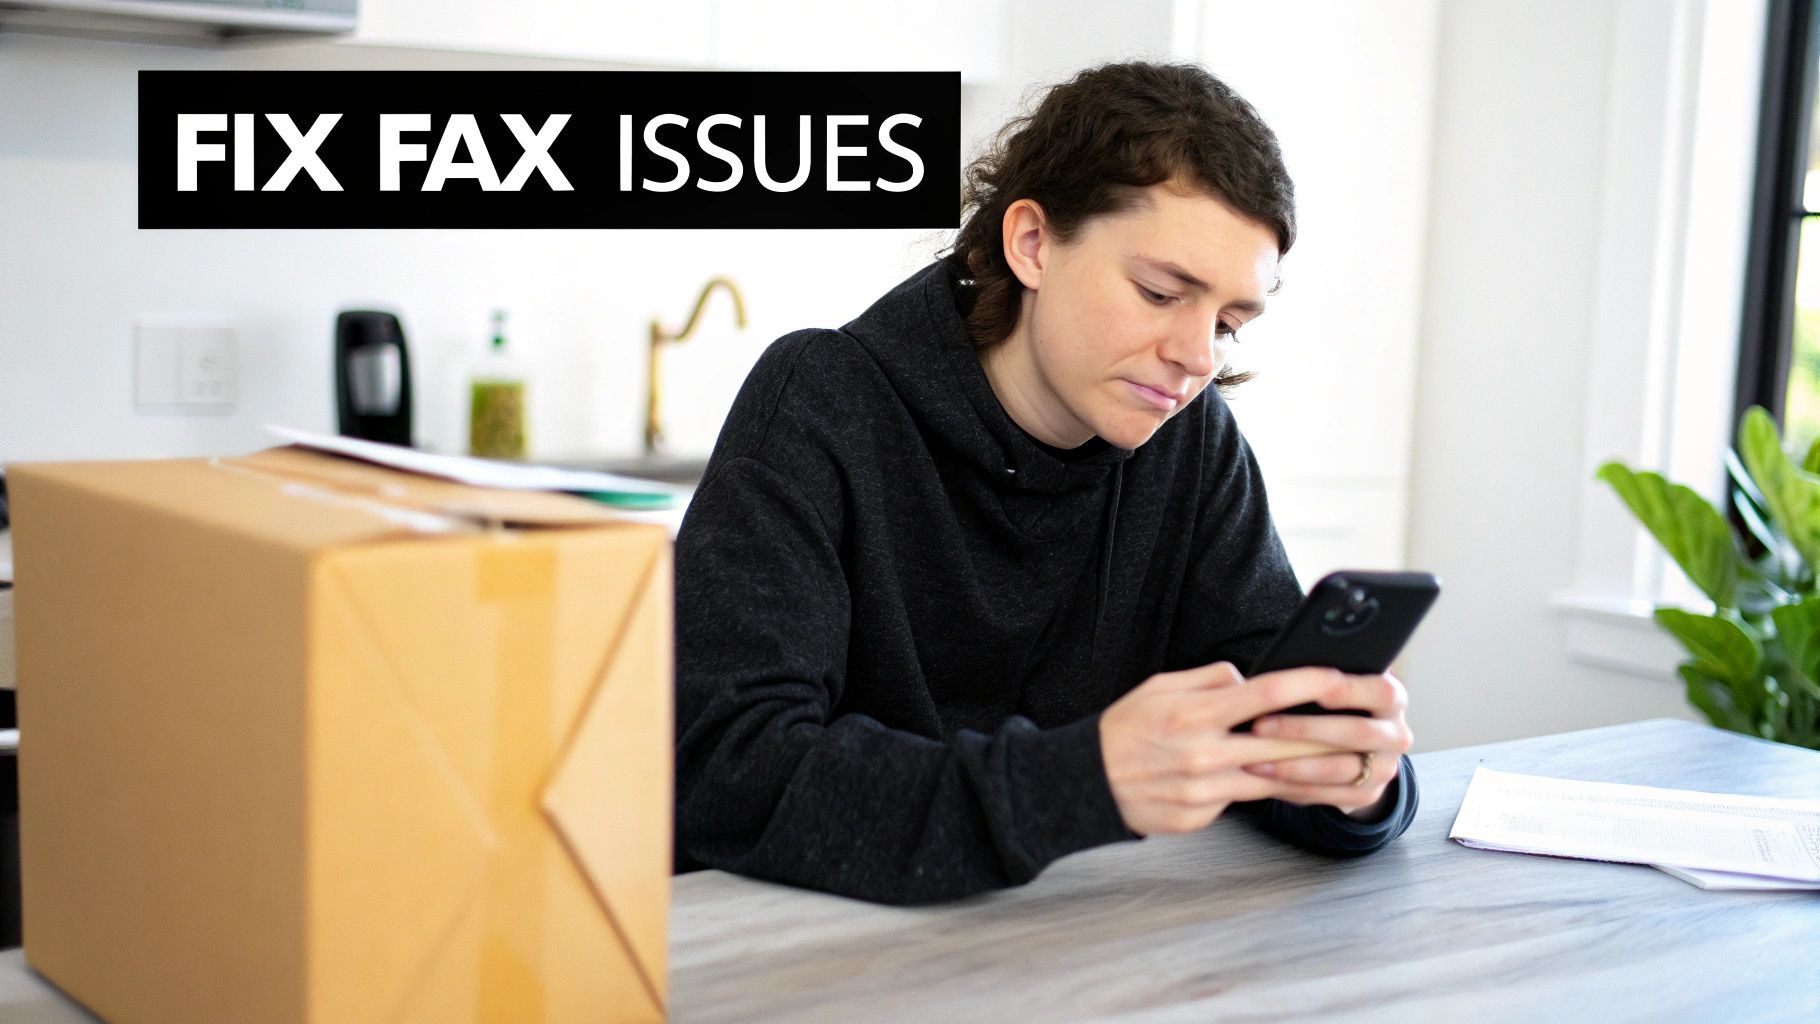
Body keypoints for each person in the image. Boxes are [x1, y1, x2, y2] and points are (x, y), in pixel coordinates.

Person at [672, 60, 1418, 905]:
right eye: (1159, 292)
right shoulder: (822, 400)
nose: (1195, 357)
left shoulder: (1192, 441)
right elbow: (727, 773)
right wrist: (1080, 781)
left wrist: (1351, 781)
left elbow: (1261, 725)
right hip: (814, 941)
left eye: (1228, 323)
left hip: (1075, 940)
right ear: (1031, 242)